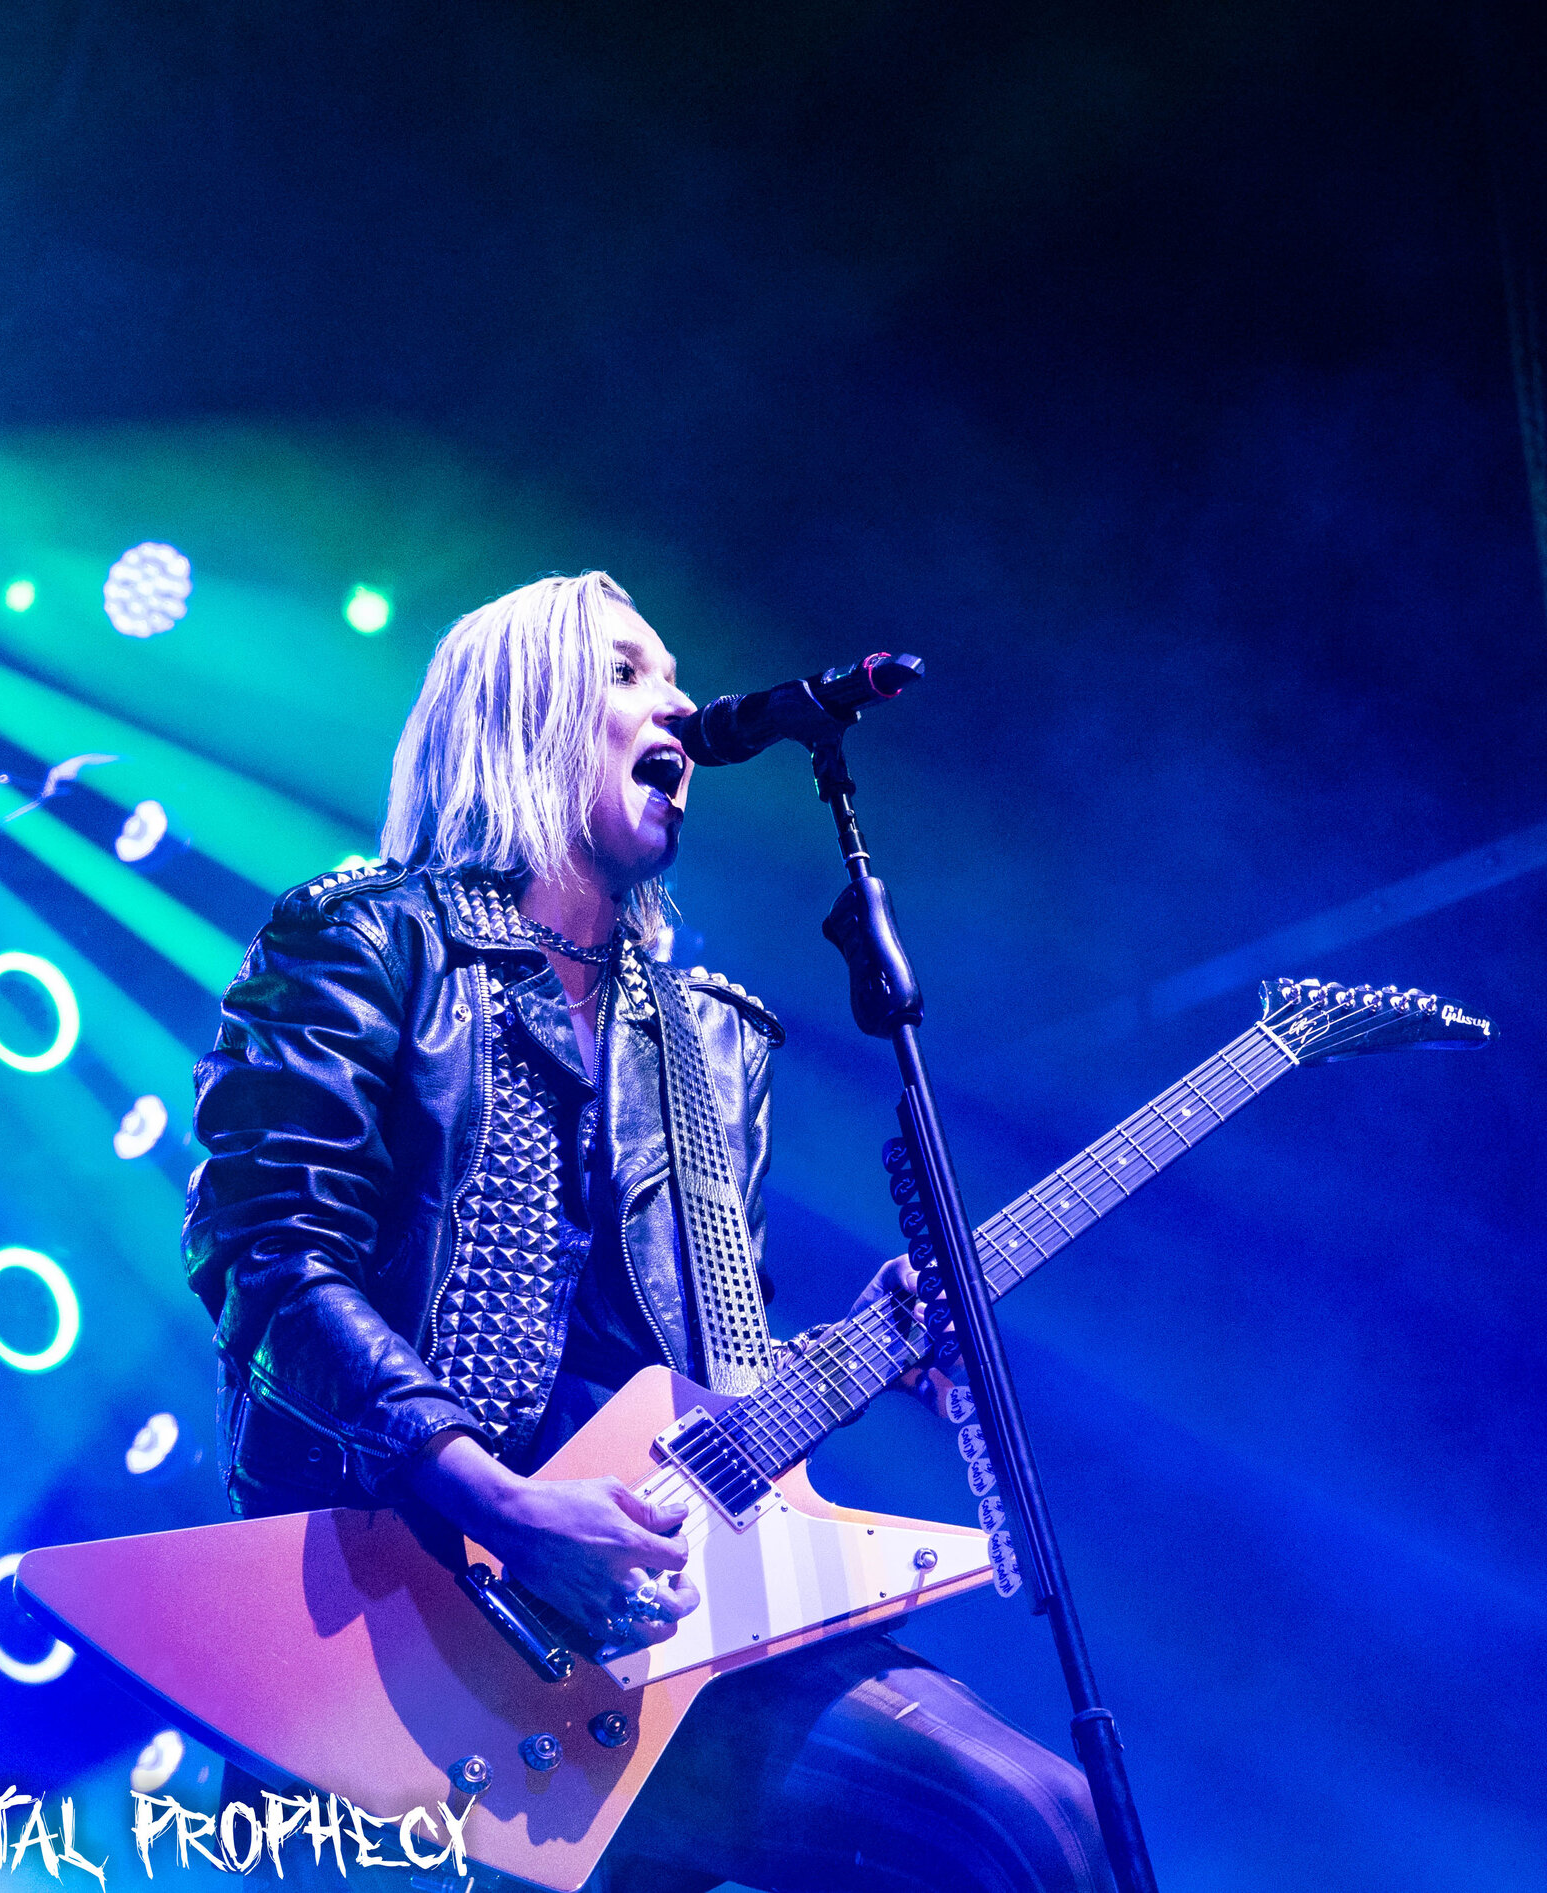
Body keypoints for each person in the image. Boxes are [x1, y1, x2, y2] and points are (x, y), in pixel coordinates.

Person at [184, 571, 1112, 1893]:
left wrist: (876, 1345)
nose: (676, 698)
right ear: (525, 715)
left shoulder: (711, 1042)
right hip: (415, 1616)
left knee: (1034, 1820)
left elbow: (698, 1370)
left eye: (670, 673)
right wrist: (498, 1497)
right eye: (627, 670)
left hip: (652, 1618)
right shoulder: (360, 939)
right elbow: (269, 1255)